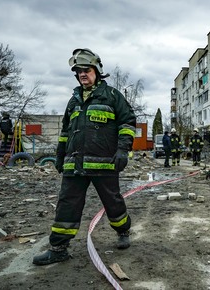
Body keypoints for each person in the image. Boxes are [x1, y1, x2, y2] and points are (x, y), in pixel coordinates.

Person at [33, 48, 136, 266]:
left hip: (104, 164)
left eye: (86, 70)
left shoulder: (112, 96)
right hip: (75, 164)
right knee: (67, 204)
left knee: (113, 202)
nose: (82, 74)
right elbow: (65, 132)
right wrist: (60, 156)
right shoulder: (74, 101)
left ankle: (123, 231)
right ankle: (58, 248)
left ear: (97, 71)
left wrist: (122, 150)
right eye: (78, 71)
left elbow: (127, 124)